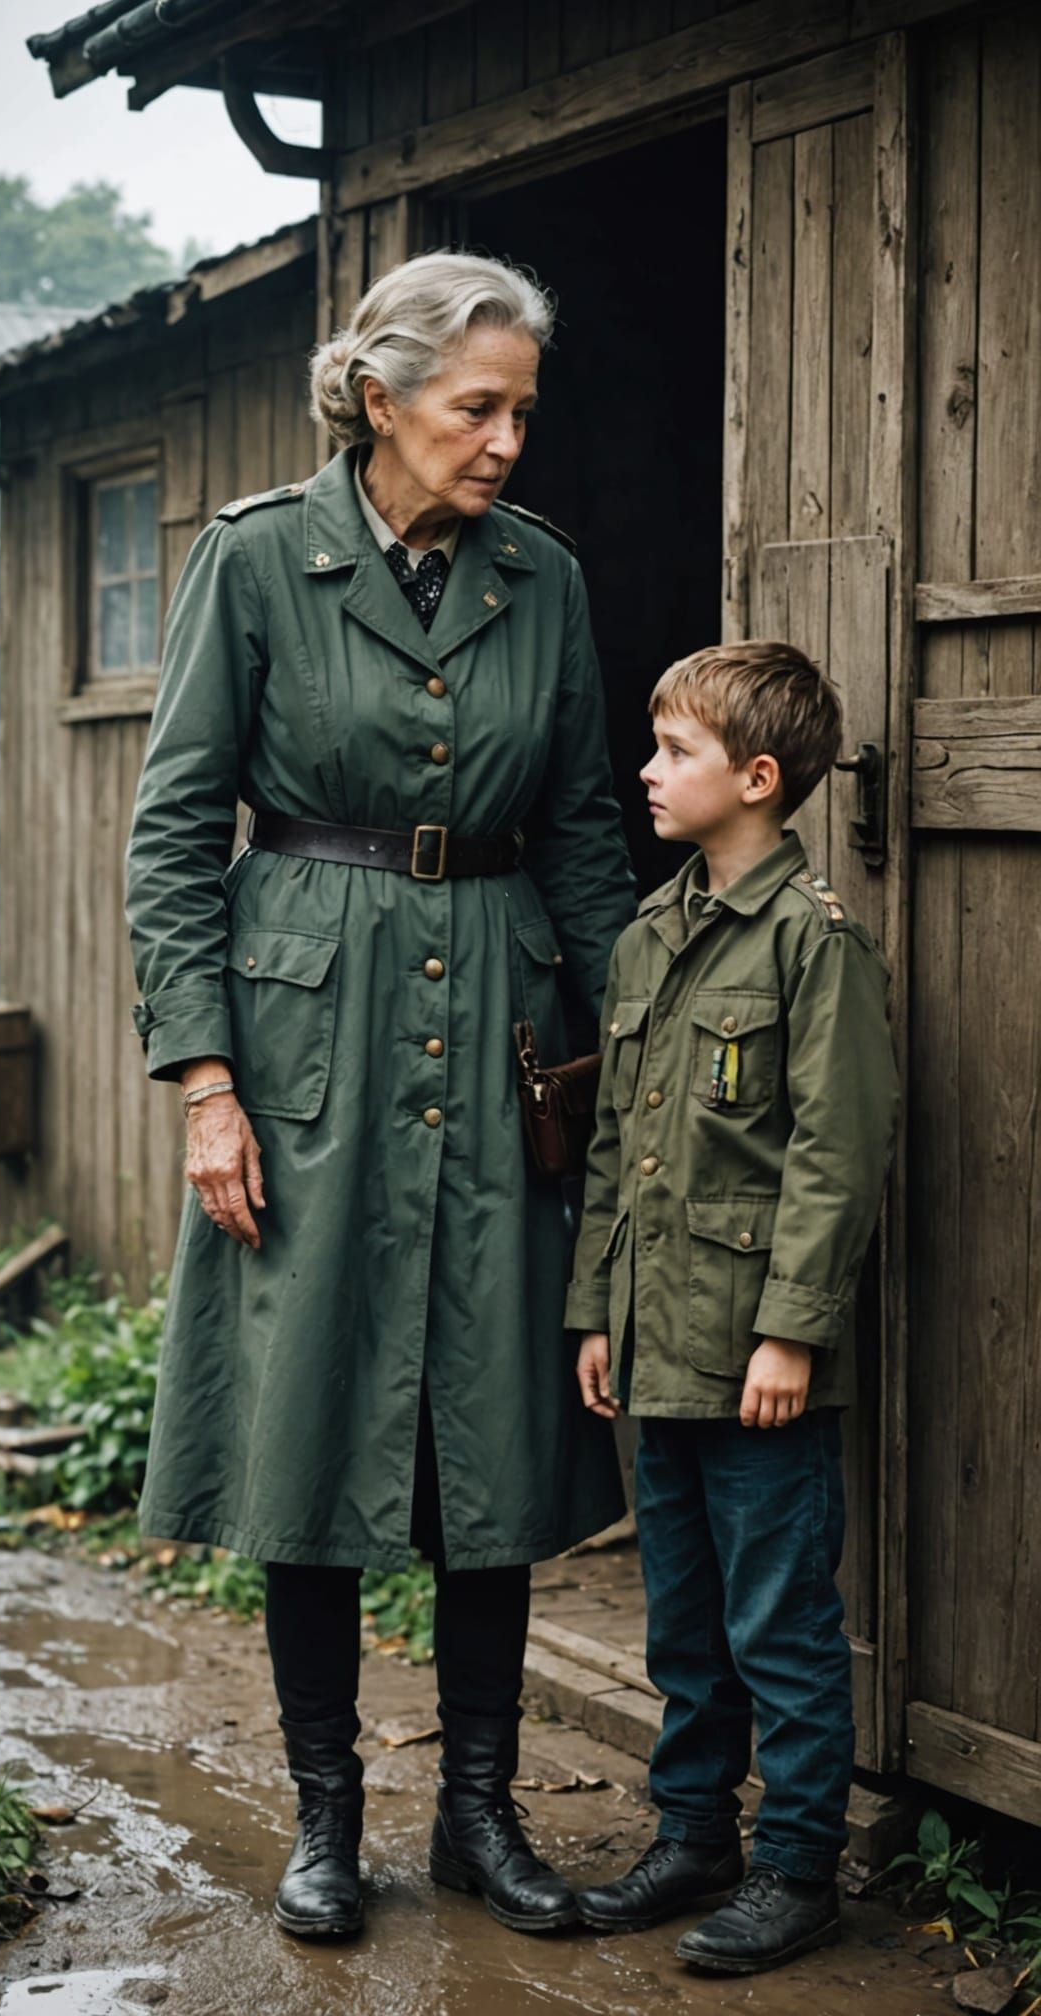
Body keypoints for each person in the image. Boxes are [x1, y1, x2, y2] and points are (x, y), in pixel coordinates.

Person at [125, 251, 636, 1942]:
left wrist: (617, 1055)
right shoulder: (258, 559)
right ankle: (326, 1819)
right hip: (302, 1027)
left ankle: (480, 1818)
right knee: (307, 1409)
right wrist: (206, 1080)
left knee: (489, 1408)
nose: (502, 442)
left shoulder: (541, 579)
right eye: (475, 407)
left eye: (519, 413)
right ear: (379, 398)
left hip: (498, 1006)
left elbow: (576, 829)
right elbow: (176, 829)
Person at [567, 642, 898, 1976]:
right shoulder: (647, 940)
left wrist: (793, 1331)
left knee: (781, 1626)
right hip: (659, 1342)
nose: (648, 772)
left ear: (757, 779)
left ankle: (799, 1870)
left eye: (676, 754)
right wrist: (597, 1309)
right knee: (683, 1620)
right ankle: (693, 1834)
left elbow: (840, 1150)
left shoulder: (816, 948)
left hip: (759, 1357)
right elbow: (610, 1147)